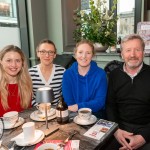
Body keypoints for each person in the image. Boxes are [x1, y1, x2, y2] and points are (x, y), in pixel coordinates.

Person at [106, 34, 150, 150]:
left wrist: (144, 136)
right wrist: (116, 130)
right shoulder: (114, 75)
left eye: (137, 50)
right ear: (122, 54)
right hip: (120, 129)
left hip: (146, 129)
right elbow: (110, 106)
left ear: (143, 52)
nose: (132, 55)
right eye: (128, 50)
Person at [62, 39, 107, 116]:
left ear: (92, 55)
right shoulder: (67, 74)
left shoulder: (101, 74)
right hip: (74, 115)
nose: (84, 56)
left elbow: (99, 102)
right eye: (80, 52)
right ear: (75, 54)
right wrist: (77, 108)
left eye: (88, 53)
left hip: (96, 115)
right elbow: (69, 102)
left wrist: (78, 106)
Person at [29, 39, 65, 106]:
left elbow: (65, 95)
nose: (47, 55)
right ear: (38, 53)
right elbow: (28, 98)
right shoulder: (30, 73)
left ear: (54, 55)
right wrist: (40, 107)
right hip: (36, 112)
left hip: (56, 111)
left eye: (50, 52)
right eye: (43, 51)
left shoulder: (62, 72)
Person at [0, 45, 32, 117]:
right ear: (1, 61)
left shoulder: (26, 84)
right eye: (9, 60)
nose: (13, 65)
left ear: (22, 63)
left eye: (17, 61)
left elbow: (27, 114)